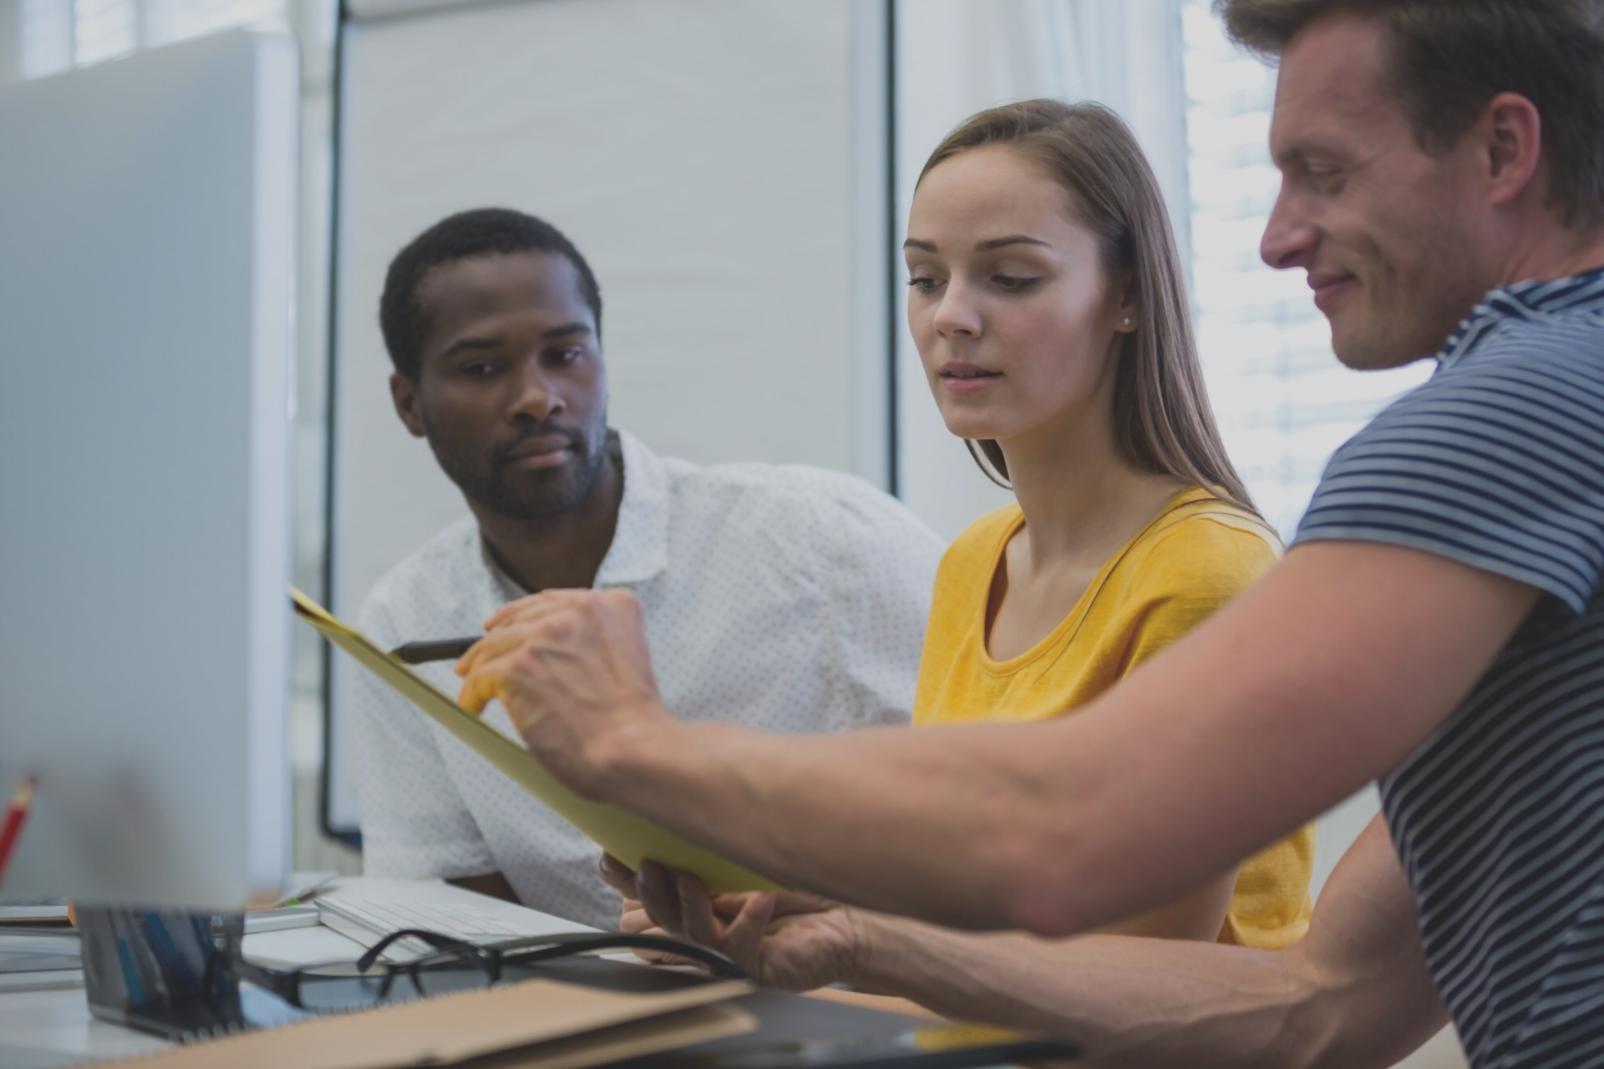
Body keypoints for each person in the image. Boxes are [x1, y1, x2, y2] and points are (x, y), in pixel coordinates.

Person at [454, 1, 1604, 1065]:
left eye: (1323, 174)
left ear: (1504, 149)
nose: (1274, 238)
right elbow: (1322, 1003)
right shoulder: (1547, 421)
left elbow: (1071, 832)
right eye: (924, 277)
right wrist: (855, 937)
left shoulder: (1512, 412)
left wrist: (630, 746)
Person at [599, 98, 1315, 1001]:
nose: (952, 319)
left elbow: (1119, 987)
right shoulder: (975, 560)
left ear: (1128, 296)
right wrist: (767, 905)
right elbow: (971, 896)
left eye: (1011, 278)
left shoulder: (1208, 572)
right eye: (925, 278)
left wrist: (825, 943)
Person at [353, 207, 943, 929]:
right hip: (590, 1026)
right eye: (482, 368)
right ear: (409, 403)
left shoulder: (824, 540)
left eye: (566, 354)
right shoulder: (405, 620)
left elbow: (992, 814)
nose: (539, 397)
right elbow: (449, 910)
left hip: (859, 1010)